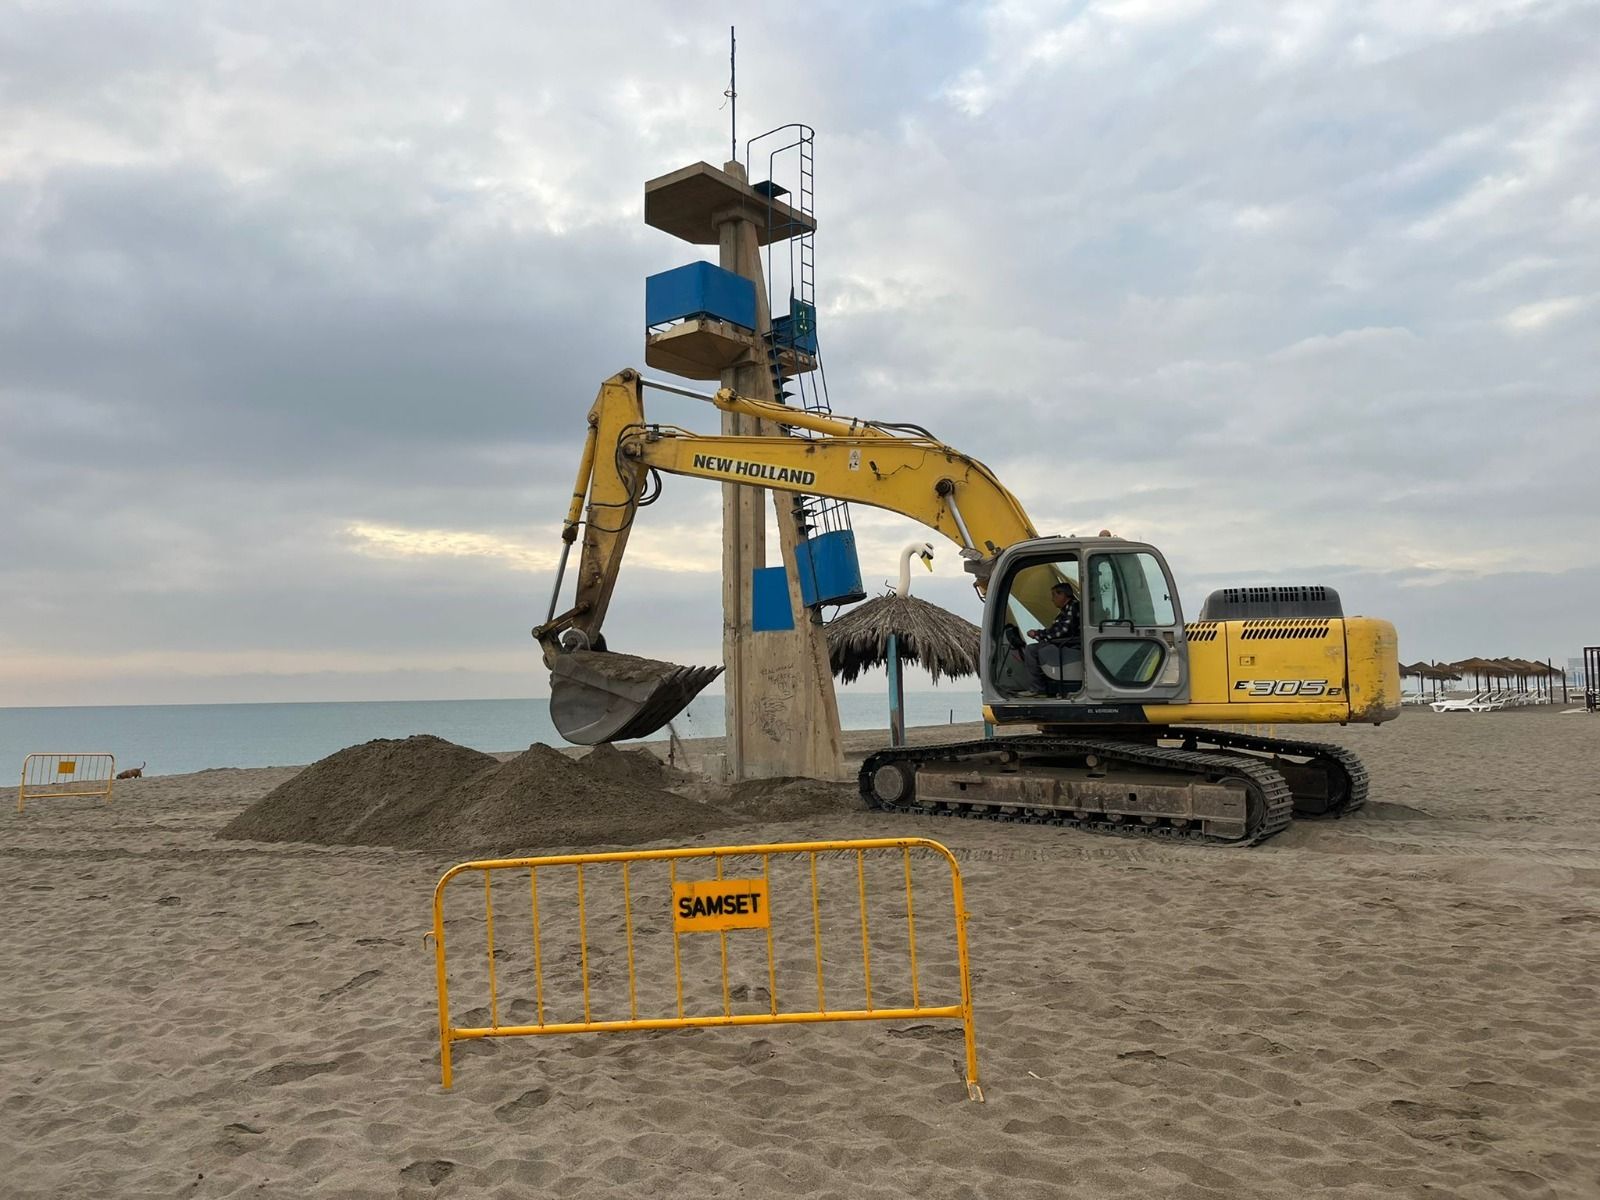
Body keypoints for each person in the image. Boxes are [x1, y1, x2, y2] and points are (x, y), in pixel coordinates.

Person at [1022, 582, 1082, 695]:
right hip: (1065, 642)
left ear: (1063, 595)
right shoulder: (1067, 609)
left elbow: (1062, 631)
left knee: (1031, 650)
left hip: (1069, 645)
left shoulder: (1073, 607)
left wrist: (1038, 634)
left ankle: (1037, 688)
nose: (1052, 599)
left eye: (1054, 595)